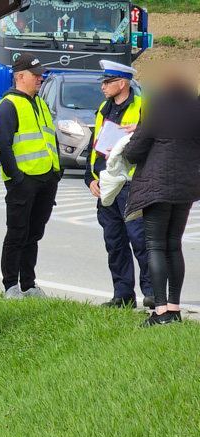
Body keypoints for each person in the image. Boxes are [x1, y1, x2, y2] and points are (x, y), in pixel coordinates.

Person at [122, 67, 200, 326]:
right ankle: (175, 309)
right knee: (174, 245)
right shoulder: (195, 108)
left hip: (157, 186)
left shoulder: (155, 106)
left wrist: (125, 148)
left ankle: (160, 311)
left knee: (155, 245)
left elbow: (136, 149)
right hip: (185, 188)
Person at [85, 60, 153, 309]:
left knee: (139, 239)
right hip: (105, 185)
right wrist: (90, 178)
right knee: (114, 242)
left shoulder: (143, 107)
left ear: (122, 84)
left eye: (107, 82)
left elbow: (153, 144)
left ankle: (151, 292)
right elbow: (94, 145)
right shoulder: (104, 107)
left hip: (132, 184)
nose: (103, 87)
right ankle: (123, 295)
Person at [0, 52, 61, 299]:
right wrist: (16, 179)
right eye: (36, 74)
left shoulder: (40, 103)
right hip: (24, 182)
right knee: (16, 234)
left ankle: (29, 284)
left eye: (41, 74)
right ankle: (11, 286)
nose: (40, 78)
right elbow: (3, 144)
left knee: (33, 235)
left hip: (45, 180)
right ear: (21, 76)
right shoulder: (9, 105)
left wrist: (56, 173)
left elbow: (49, 138)